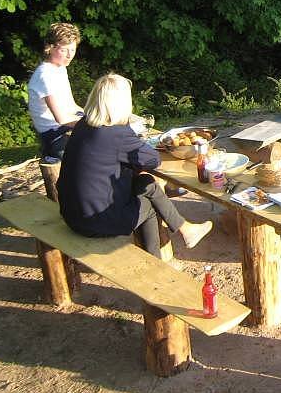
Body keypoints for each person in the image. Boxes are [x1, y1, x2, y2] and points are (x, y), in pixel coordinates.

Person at [57, 74, 212, 262]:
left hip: (71, 214)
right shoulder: (116, 133)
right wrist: (129, 131)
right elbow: (154, 160)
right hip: (95, 221)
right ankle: (156, 264)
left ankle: (186, 230)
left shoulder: (83, 125)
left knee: (147, 182)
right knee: (151, 205)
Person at [27, 22, 84, 160]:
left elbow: (72, 105)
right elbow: (62, 119)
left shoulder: (60, 68)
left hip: (67, 127)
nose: (70, 55)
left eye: (73, 49)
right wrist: (93, 124)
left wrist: (94, 116)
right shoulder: (45, 75)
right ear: (50, 48)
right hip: (55, 136)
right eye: (64, 50)